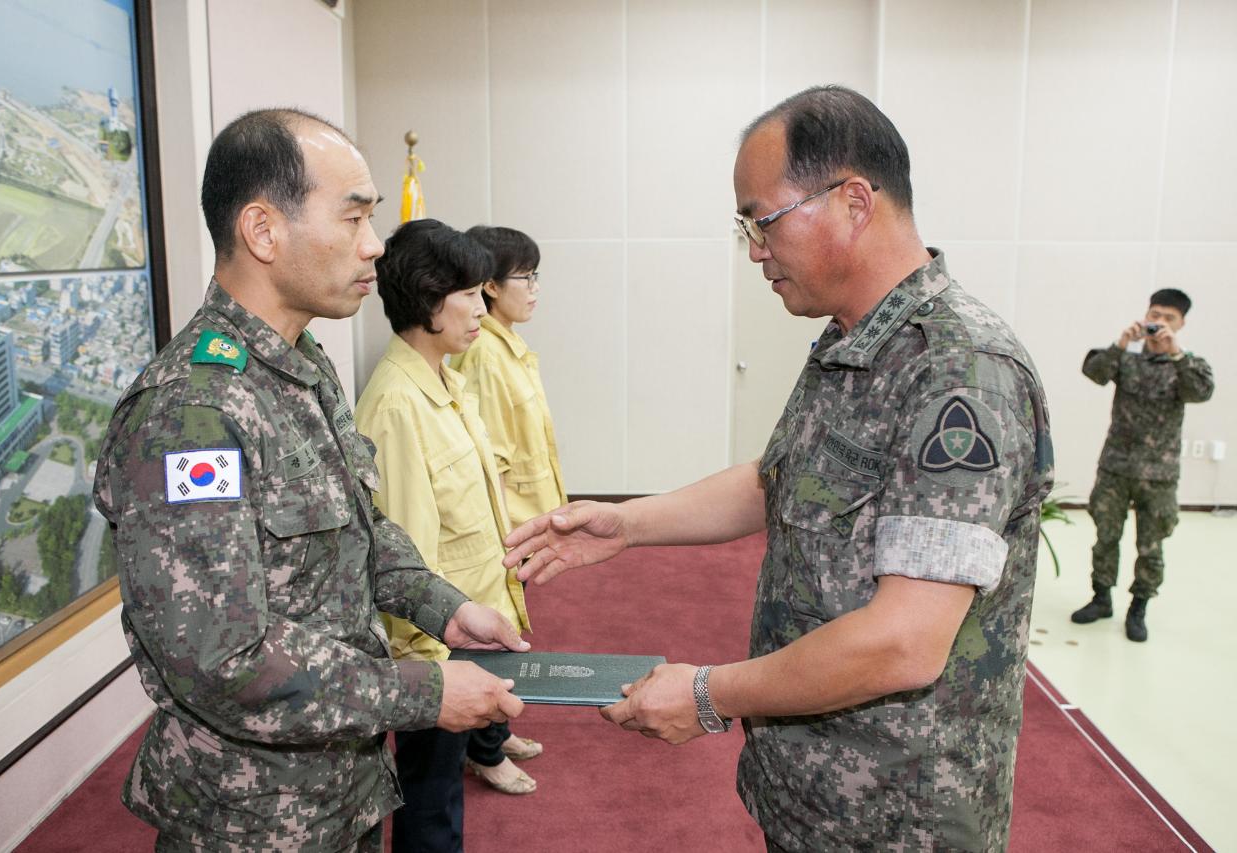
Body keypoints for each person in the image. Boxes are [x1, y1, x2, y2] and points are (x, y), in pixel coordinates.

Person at [503, 85, 1053, 853]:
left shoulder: (959, 371)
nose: (756, 251)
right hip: (813, 791)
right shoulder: (849, 339)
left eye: (761, 222)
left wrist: (707, 693)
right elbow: (781, 478)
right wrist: (627, 523)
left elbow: (904, 640)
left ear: (854, 201)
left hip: (900, 815)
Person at [93, 108, 526, 853]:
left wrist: (443, 607)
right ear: (263, 231)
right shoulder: (191, 412)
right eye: (353, 217)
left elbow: (357, 526)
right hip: (249, 819)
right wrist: (424, 692)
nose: (374, 245)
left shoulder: (302, 365)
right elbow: (223, 658)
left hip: (341, 789)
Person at [354, 219, 537, 850]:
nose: (480, 308)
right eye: (468, 294)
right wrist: (429, 681)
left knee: (444, 800)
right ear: (430, 302)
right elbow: (404, 553)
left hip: (470, 625)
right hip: (436, 652)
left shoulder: (445, 382)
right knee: (430, 810)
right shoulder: (397, 404)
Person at [1070, 290, 1213, 642]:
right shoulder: (1126, 358)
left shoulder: (1188, 365)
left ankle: (1139, 607)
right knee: (1106, 537)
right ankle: (1101, 597)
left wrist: (1176, 354)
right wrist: (1120, 343)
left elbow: (1200, 392)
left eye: (1168, 318)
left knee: (1151, 546)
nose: (1159, 323)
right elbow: (1095, 372)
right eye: (1155, 314)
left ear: (1181, 324)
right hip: (1115, 468)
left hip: (1158, 476)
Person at [451, 226, 567, 531]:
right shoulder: (485, 353)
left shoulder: (505, 344)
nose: (535, 288)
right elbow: (492, 461)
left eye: (535, 276)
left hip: (530, 517)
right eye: (525, 277)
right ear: (491, 286)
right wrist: (503, 538)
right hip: (514, 526)